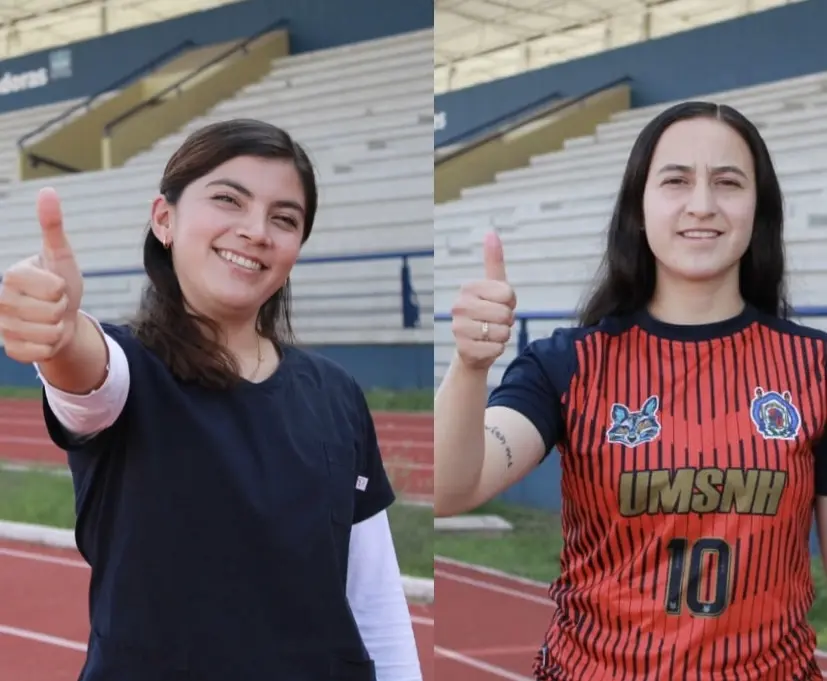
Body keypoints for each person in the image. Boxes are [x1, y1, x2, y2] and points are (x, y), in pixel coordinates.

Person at [0, 119, 422, 681]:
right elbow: (86, 374)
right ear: (164, 219)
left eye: (284, 219)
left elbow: (374, 599)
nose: (256, 231)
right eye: (229, 200)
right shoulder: (127, 370)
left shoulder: (337, 393)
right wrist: (59, 333)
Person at [435, 101, 827, 680]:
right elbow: (450, 487)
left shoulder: (815, 368)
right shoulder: (566, 364)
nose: (702, 204)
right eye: (676, 181)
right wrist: (469, 366)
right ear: (638, 209)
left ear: (759, 211)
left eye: (728, 183)